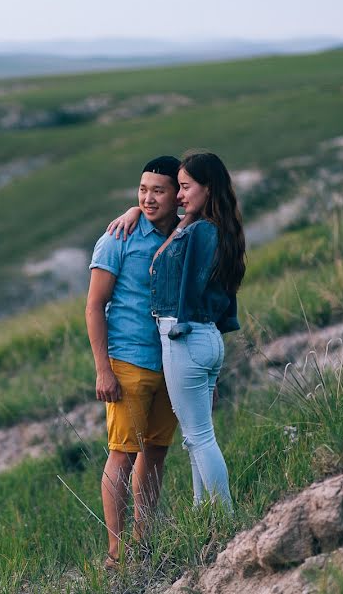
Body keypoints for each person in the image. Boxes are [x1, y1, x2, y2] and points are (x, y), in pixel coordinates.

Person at [107, 151, 245, 510]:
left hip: (184, 337)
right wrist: (136, 211)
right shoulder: (223, 230)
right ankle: (205, 513)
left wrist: (149, 216)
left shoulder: (197, 233)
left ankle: (225, 515)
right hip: (210, 339)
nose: (180, 197)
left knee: (199, 439)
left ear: (207, 189)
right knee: (197, 437)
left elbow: (159, 262)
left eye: (185, 188)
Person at [85, 155, 183, 569]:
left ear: (177, 195)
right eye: (142, 190)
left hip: (171, 363)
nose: (147, 198)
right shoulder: (118, 238)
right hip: (127, 362)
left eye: (157, 190)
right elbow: (94, 305)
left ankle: (145, 541)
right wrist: (103, 368)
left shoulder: (184, 233)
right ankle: (116, 554)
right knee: (121, 455)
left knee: (156, 452)